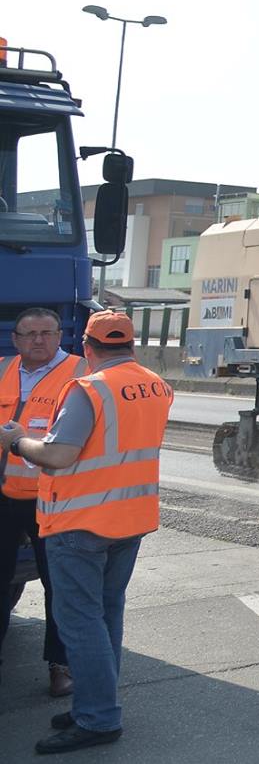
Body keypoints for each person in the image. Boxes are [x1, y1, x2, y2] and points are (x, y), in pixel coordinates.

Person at [0, 309, 173, 755]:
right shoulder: (156, 384)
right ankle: (97, 705)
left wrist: (16, 440)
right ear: (131, 345)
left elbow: (58, 455)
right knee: (106, 616)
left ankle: (98, 718)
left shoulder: (89, 388)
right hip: (129, 521)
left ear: (88, 349)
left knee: (80, 625)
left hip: (80, 522)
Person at [1, 306, 75, 698]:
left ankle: (60, 665)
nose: (38, 340)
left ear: (59, 334)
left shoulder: (81, 374)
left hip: (54, 497)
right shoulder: (1, 370)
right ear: (15, 339)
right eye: (29, 334)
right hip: (3, 496)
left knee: (58, 586)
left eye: (46, 332)